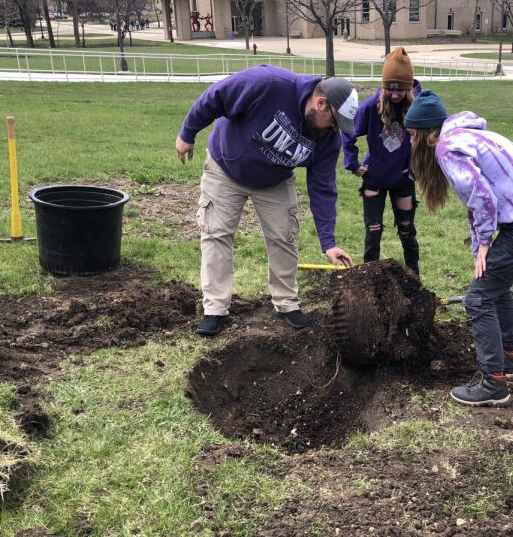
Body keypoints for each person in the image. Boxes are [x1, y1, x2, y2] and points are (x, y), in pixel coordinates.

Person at [175, 65, 357, 336]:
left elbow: (323, 187)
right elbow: (216, 96)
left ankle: (286, 304)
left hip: (274, 180)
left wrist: (328, 242)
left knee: (284, 237)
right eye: (334, 121)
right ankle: (215, 310)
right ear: (321, 103)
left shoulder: (327, 140)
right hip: (226, 167)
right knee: (216, 234)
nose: (335, 130)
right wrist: (187, 133)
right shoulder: (269, 84)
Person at [404, 90, 513, 407]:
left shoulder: (447, 150)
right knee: (494, 286)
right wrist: (480, 247)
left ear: (426, 134)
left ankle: (493, 382)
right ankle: (509, 360)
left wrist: (485, 241)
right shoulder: (465, 135)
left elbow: (483, 198)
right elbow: (479, 202)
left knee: (477, 298)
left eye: (411, 135)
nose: (409, 142)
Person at [341, 47, 422, 274]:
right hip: (374, 178)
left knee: (407, 230)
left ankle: (413, 277)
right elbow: (347, 132)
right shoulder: (371, 106)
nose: (395, 95)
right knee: (373, 231)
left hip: (403, 179)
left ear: (408, 87)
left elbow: (429, 138)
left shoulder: (416, 107)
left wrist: (417, 166)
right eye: (390, 88)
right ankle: (370, 280)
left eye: (401, 90)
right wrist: (354, 164)